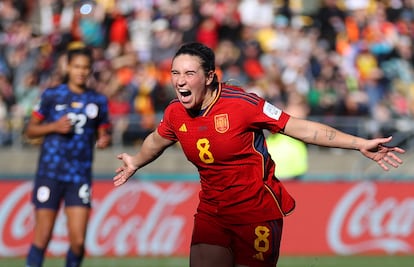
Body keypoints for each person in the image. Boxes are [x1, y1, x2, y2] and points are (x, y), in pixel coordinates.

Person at [112, 42, 405, 267]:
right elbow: (157, 139)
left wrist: (358, 143)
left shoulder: (243, 104)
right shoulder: (175, 112)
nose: (180, 81)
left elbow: (300, 127)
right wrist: (135, 161)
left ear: (211, 76)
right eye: (175, 73)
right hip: (212, 212)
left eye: (189, 73)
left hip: (256, 212)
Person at [25, 46, 111, 267]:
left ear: (90, 70)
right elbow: (30, 130)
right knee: (42, 237)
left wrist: (103, 139)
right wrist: (53, 126)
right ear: (68, 67)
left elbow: (103, 130)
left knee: (78, 241)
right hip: (50, 173)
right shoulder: (52, 95)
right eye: (77, 67)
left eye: (85, 67)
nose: (81, 71)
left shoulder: (98, 101)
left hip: (79, 175)